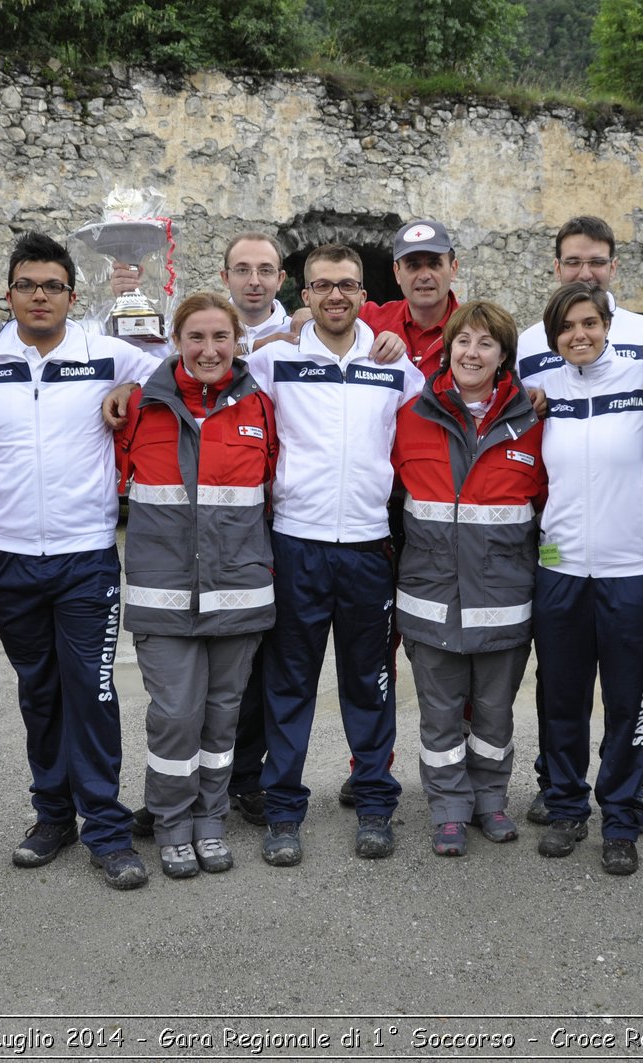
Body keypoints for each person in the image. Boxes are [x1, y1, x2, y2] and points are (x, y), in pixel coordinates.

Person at [0, 231, 162, 890]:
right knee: (39, 691)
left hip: (86, 558)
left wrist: (131, 396)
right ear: (9, 292)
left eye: (51, 286)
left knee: (93, 692)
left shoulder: (110, 354)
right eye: (26, 284)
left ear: (73, 296)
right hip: (11, 558)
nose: (38, 296)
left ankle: (104, 824)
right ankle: (52, 815)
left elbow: (187, 376)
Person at [241, 243, 423, 866]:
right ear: (305, 295)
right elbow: (203, 373)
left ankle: (374, 803)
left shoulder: (396, 366)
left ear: (364, 293)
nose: (335, 296)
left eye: (347, 285)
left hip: (369, 547)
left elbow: (438, 433)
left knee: (369, 684)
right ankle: (284, 810)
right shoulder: (277, 362)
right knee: (288, 684)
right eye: (322, 286)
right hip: (296, 542)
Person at [116, 292, 279, 878]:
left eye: (220, 338)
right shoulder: (138, 408)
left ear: (238, 343)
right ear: (175, 343)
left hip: (239, 594)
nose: (209, 350)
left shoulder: (262, 407)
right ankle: (170, 820)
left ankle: (211, 817)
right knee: (175, 714)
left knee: (222, 715)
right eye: (196, 338)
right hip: (166, 596)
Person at [517, 216, 643, 828]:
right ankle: (564, 797)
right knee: (561, 693)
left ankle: (625, 810)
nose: (579, 334)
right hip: (560, 562)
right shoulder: (536, 363)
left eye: (596, 262)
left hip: (635, 564)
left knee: (630, 699)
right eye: (573, 263)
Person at [390, 300, 545, 856]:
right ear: (447, 349)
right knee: (439, 715)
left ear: (504, 356)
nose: (471, 352)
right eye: (462, 341)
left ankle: (490, 801)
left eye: (485, 343)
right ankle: (449, 808)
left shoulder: (533, 425)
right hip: (431, 601)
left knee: (495, 714)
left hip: (503, 605)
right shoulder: (411, 417)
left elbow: (547, 508)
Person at [518, 216, 643, 382]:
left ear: (612, 268)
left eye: (597, 262)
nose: (585, 274)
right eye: (573, 262)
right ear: (557, 268)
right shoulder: (526, 345)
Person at [360, 218, 461, 379]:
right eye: (413, 266)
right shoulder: (369, 321)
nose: (424, 276)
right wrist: (305, 317)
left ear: (453, 269)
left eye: (434, 264)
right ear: (397, 273)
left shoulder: (475, 329)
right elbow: (327, 317)